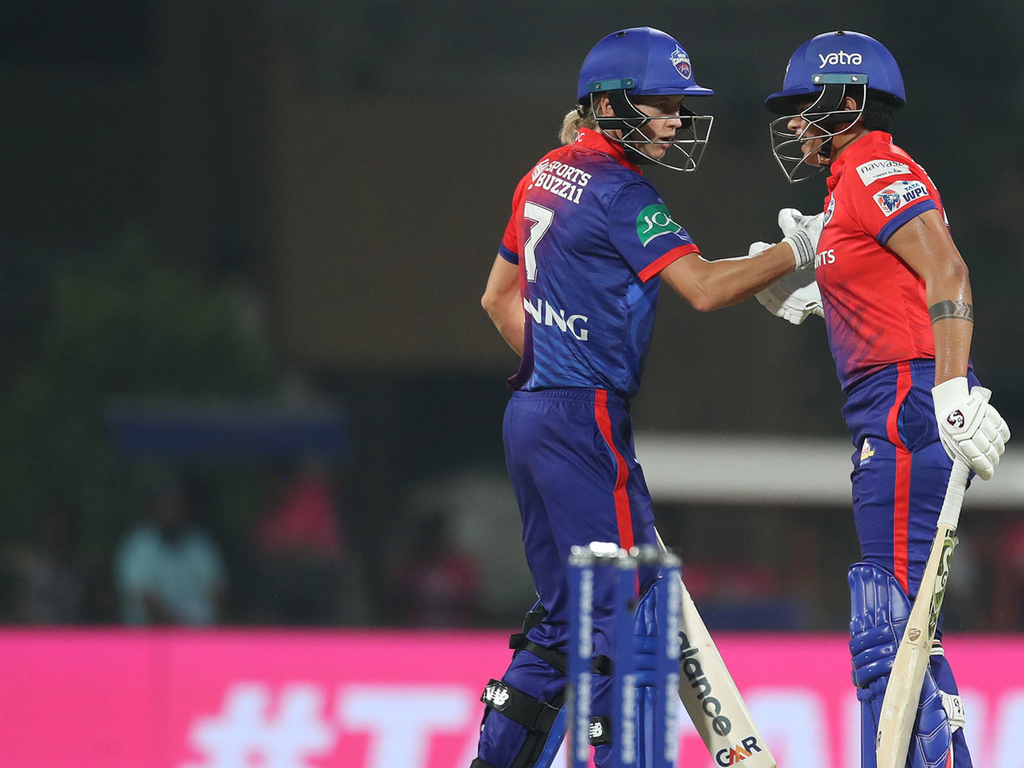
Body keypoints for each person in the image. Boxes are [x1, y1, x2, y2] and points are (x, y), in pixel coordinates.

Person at [472, 26, 822, 768]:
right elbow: (704, 289)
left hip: (528, 412)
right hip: (586, 418)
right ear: (608, 105)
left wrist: (555, 359)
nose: (675, 120)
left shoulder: (543, 173)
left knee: (564, 618)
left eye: (678, 106)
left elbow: (497, 298)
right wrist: (799, 250)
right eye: (660, 104)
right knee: (626, 611)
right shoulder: (621, 191)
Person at [756, 30, 1010, 768]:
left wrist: (951, 386)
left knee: (891, 631)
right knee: (905, 629)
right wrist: (824, 296)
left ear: (848, 102)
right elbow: (891, 286)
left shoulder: (874, 168)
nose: (795, 122)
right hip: (892, 403)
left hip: (906, 403)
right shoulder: (848, 187)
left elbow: (949, 272)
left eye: (806, 104)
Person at [116, 479, 228, 625]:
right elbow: (144, 597)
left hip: (200, 632)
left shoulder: (199, 543)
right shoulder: (138, 546)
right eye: (167, 506)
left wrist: (217, 630)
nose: (172, 513)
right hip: (149, 633)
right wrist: (175, 629)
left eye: (177, 507)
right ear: (154, 509)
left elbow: (217, 591)